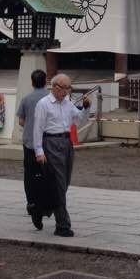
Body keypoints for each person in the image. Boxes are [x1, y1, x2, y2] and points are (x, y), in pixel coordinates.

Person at [32, 74, 92, 237]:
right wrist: (39, 151)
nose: (66, 91)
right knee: (58, 184)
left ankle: (40, 209)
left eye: (68, 88)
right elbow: (37, 128)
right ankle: (62, 225)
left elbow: (79, 121)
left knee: (64, 182)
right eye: (64, 88)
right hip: (51, 142)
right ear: (55, 87)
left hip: (67, 143)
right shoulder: (43, 104)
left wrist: (86, 108)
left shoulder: (68, 103)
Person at [16, 69, 50, 228]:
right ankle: (46, 203)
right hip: (47, 142)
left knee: (30, 174)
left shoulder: (26, 99)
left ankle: (31, 202)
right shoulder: (50, 99)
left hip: (29, 142)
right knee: (47, 174)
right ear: (45, 81)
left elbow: (21, 121)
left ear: (32, 82)